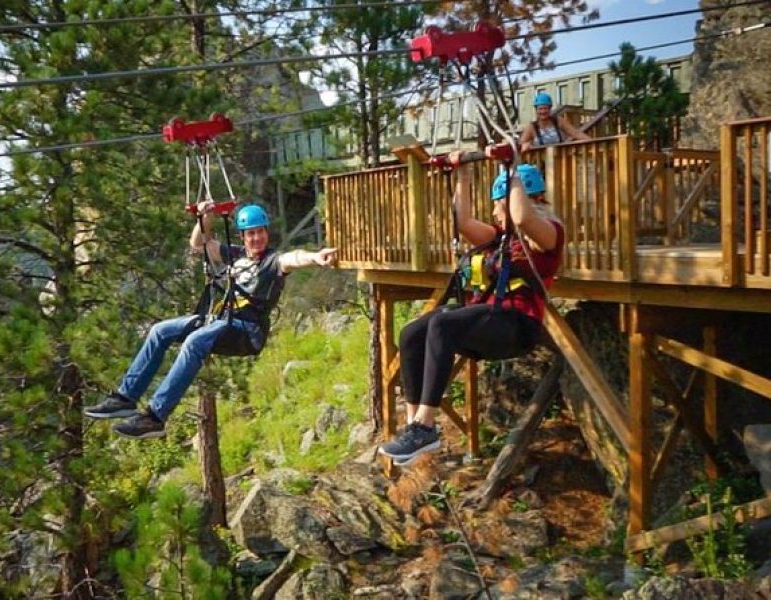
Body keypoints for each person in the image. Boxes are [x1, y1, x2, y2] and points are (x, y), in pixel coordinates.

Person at [84, 202, 338, 439]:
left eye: (260, 232)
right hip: (219, 321)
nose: (256, 238)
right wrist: (205, 218)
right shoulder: (235, 255)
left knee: (195, 341)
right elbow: (199, 244)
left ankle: (155, 416)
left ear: (266, 233)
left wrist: (315, 257)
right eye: (251, 234)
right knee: (160, 331)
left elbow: (293, 258)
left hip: (245, 331)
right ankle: (125, 398)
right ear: (242, 236)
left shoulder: (272, 262)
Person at [378, 157, 564, 466]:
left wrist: (511, 169)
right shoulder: (501, 238)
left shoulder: (548, 235)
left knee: (443, 323)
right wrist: (462, 174)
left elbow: (522, 216)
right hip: (489, 321)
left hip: (517, 326)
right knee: (412, 332)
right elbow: (463, 222)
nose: (493, 212)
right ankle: (416, 427)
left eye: (497, 204)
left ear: (514, 199)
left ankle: (425, 424)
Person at [519, 92, 590, 153]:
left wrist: (591, 141)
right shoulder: (532, 127)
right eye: (540, 109)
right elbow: (521, 144)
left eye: (545, 108)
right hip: (540, 163)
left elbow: (575, 133)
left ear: (550, 109)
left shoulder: (558, 121)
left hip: (561, 160)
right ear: (536, 110)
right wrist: (526, 145)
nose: (543, 111)